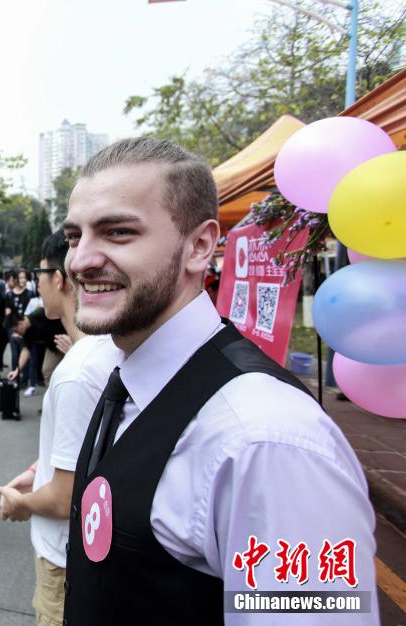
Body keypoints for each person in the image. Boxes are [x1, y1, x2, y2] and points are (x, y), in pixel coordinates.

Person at [61, 137, 377, 624]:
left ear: (200, 246)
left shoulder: (267, 441)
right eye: (73, 236)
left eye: (118, 232)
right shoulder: (128, 373)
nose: (81, 260)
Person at [0, 231, 119, 626]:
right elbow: (81, 450)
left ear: (62, 279)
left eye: (41, 273)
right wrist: (36, 472)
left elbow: (67, 495)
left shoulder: (75, 374)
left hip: (64, 555)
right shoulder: (106, 350)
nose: (37, 283)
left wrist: (20, 505)